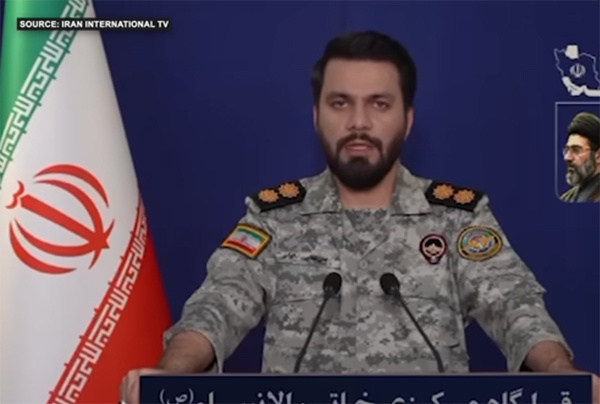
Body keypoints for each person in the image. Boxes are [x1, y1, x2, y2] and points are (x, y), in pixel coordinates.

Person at [120, 30, 599, 403]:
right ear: (317, 116)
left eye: (379, 104)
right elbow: (220, 303)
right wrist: (169, 375)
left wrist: (561, 375)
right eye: (340, 103)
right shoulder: (274, 217)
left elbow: (513, 306)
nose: (358, 123)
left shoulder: (457, 216)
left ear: (407, 120)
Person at [560, 111, 600, 202]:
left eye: (576, 150)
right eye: (567, 150)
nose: (567, 157)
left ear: (598, 156)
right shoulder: (566, 198)